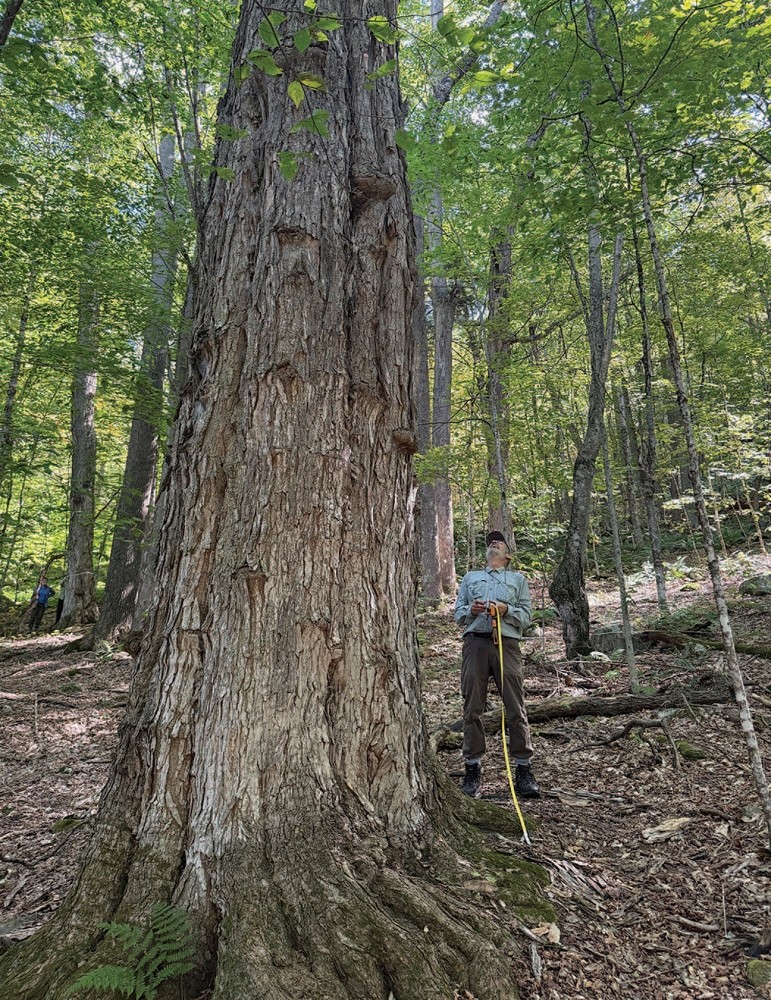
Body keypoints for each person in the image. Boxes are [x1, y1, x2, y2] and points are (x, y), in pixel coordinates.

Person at [453, 531, 539, 799]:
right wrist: (471, 611)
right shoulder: (470, 578)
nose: (493, 544)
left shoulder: (517, 580)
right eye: (490, 542)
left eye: (499, 543)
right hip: (475, 643)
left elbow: (526, 616)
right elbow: (457, 613)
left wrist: (506, 610)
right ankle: (472, 768)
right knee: (472, 706)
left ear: (507, 556)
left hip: (507, 644)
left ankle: (523, 769)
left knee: (515, 705)